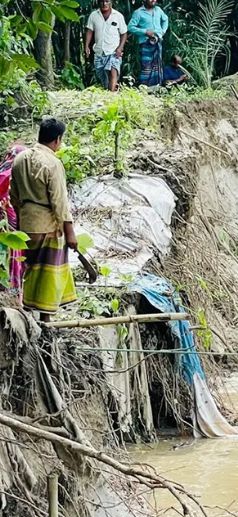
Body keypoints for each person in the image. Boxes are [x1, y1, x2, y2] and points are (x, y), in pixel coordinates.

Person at [10, 119, 78, 320]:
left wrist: (21, 221)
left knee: (29, 268)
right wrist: (70, 232)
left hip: (27, 222)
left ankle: (27, 312)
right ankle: (45, 318)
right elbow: (60, 201)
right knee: (47, 272)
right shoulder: (53, 163)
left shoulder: (20, 158)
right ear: (57, 140)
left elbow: (13, 195)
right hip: (47, 224)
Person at [0, 145, 27, 297]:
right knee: (13, 258)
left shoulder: (3, 172)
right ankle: (12, 297)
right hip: (10, 227)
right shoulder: (14, 175)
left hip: (6, 225)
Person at [84, 0, 128, 91]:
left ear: (111, 2)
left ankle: (111, 95)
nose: (104, 4)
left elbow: (124, 33)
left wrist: (120, 48)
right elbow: (89, 31)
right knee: (103, 77)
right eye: (102, 1)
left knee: (113, 71)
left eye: (107, 1)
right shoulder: (94, 15)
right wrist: (86, 46)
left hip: (113, 51)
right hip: (99, 51)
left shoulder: (118, 16)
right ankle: (111, 91)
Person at [128, 0, 169, 87]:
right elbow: (130, 27)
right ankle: (144, 88)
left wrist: (163, 31)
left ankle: (157, 87)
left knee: (157, 65)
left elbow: (165, 19)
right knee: (146, 66)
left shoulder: (158, 10)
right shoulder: (138, 12)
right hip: (146, 43)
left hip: (158, 42)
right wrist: (145, 32)